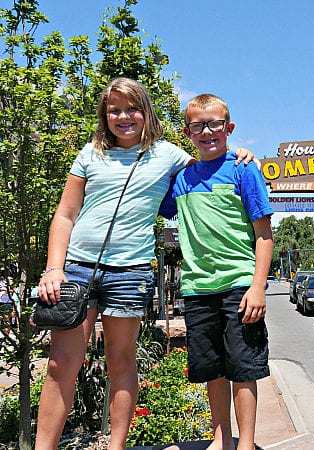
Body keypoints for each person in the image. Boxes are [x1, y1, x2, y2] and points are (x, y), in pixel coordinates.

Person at [34, 78, 256, 450]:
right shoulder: (90, 154)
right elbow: (65, 215)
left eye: (131, 108)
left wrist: (242, 154)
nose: (123, 116)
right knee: (60, 365)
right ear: (104, 116)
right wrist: (53, 268)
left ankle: (116, 446)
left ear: (145, 112)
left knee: (121, 362)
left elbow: (209, 162)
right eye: (114, 110)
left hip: (130, 270)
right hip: (77, 268)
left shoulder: (167, 154)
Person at [159, 93, 274, 450]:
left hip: (239, 286)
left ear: (229, 128)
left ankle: (246, 443)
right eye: (198, 126)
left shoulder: (243, 169)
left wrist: (258, 288)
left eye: (215, 124)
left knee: (243, 369)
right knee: (213, 370)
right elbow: (150, 195)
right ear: (187, 131)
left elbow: (264, 235)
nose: (207, 132)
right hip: (197, 290)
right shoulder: (181, 180)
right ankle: (222, 438)